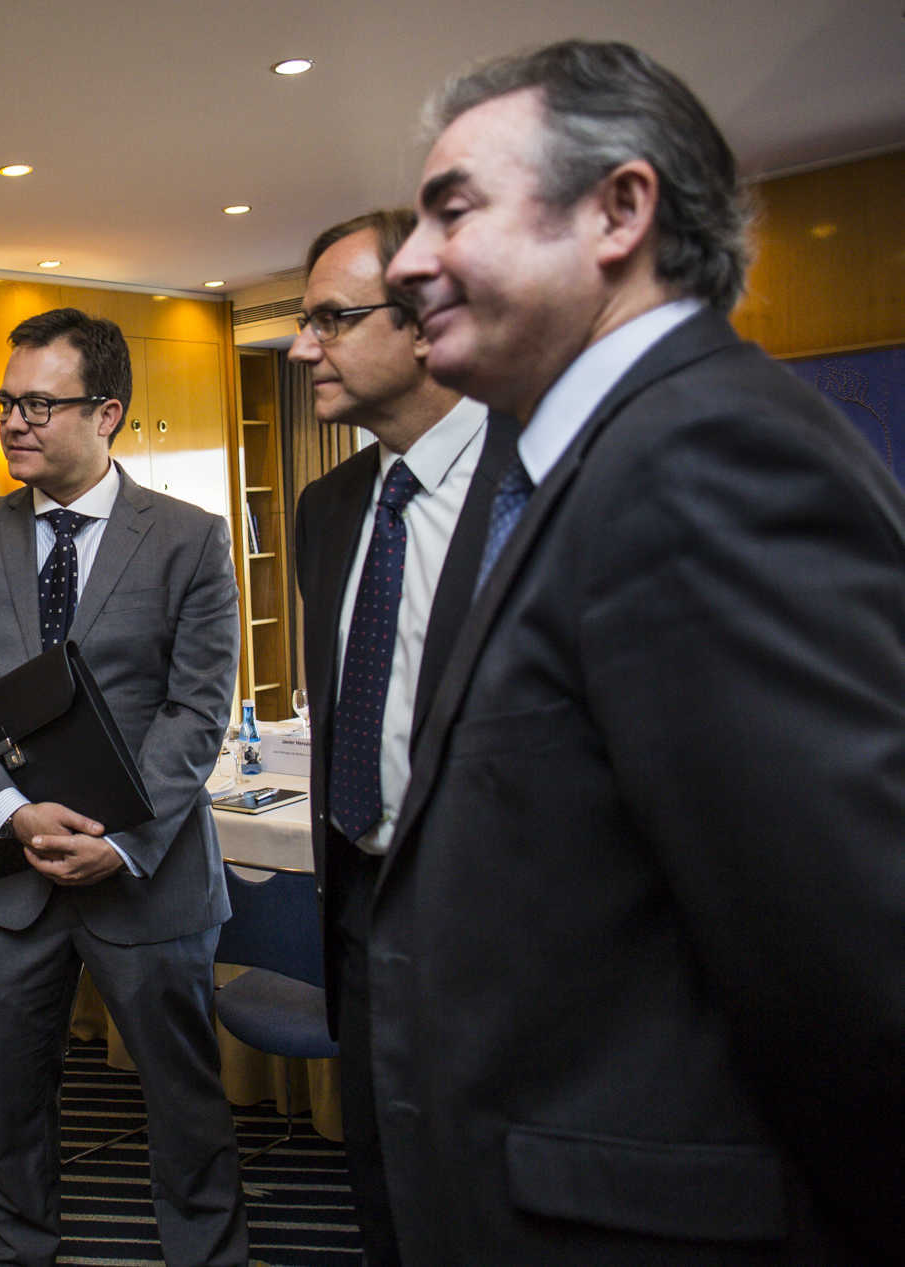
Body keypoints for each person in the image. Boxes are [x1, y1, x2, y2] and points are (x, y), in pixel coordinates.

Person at [371, 40, 905, 1262]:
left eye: (453, 209)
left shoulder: (703, 454)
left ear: (618, 210)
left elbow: (859, 973)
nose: (406, 261)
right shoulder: (602, 457)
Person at [0, 308, 246, 1266]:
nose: (14, 421)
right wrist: (12, 814)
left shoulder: (188, 539)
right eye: (4, 402)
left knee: (184, 1099)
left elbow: (196, 710)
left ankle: (207, 1251)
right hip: (7, 883)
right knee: (10, 1105)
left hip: (146, 874)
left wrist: (122, 840)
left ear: (107, 413)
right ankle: (15, 1247)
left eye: (38, 404)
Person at [286, 208, 514, 1265]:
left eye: (330, 319)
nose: (303, 348)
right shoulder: (327, 506)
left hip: (506, 927)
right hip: (361, 907)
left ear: (425, 323)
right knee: (383, 1186)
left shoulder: (544, 480)